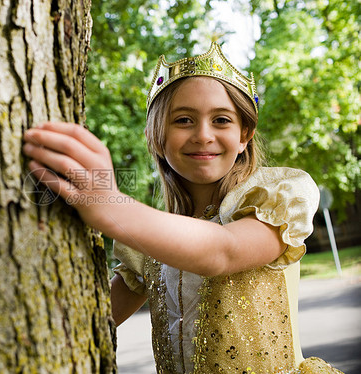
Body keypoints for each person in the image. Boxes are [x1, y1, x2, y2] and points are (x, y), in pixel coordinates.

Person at [22, 41, 343, 373]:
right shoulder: (153, 236)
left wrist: (110, 204)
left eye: (221, 120)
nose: (203, 135)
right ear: (155, 136)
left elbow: (223, 251)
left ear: (245, 134)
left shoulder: (276, 196)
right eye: (184, 120)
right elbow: (89, 323)